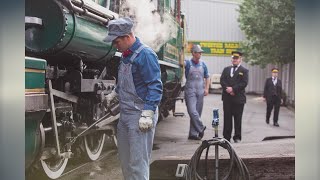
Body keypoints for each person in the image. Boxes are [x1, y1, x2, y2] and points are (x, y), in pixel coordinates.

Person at [102, 17, 163, 180]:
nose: (115, 46)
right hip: (125, 115)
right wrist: (115, 93)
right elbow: (125, 81)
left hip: (140, 115)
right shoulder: (126, 54)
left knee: (138, 164)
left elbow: (155, 86)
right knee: (125, 161)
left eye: (116, 42)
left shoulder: (146, 55)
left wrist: (148, 113)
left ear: (127, 37)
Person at [220, 51, 248, 143]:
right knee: (227, 118)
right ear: (231, 59)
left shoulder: (244, 71)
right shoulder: (226, 69)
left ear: (240, 59)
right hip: (227, 98)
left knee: (237, 118)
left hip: (238, 99)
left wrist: (233, 89)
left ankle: (237, 137)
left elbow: (244, 83)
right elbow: (222, 80)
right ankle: (226, 137)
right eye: (233, 58)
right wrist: (227, 89)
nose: (235, 60)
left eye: (237, 58)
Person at [184, 44, 210, 140]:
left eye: (200, 53)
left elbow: (207, 77)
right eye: (199, 52)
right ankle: (201, 127)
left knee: (198, 113)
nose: (200, 54)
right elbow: (180, 63)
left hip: (200, 91)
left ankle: (193, 134)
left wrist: (207, 89)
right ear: (193, 53)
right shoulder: (187, 63)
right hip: (190, 90)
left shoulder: (203, 64)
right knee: (192, 111)